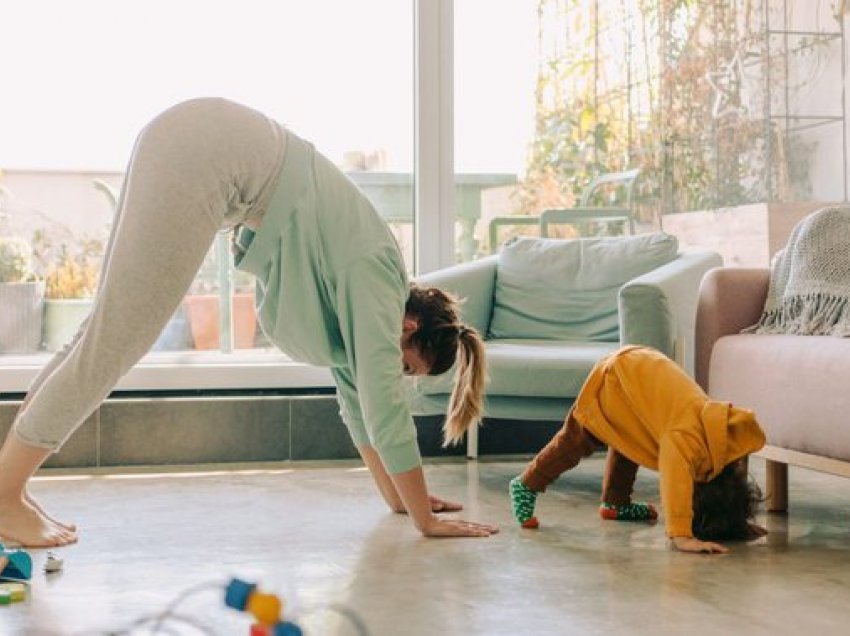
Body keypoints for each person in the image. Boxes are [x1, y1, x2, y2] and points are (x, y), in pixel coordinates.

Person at [0, 98, 498, 547]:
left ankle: (8, 487)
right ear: (411, 327)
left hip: (196, 139)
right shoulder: (376, 278)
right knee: (113, 342)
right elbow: (383, 405)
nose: (397, 375)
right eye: (408, 368)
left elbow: (358, 402)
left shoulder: (365, 281)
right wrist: (423, 520)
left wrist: (401, 499)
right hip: (205, 154)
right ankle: (5, 497)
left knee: (100, 333)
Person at [509, 345, 766, 554]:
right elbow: (676, 480)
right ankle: (526, 483)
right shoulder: (684, 439)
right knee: (576, 440)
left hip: (640, 368)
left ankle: (616, 503)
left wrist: (739, 524)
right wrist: (682, 535)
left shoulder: (719, 433)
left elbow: (737, 463)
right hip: (614, 377)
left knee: (635, 438)